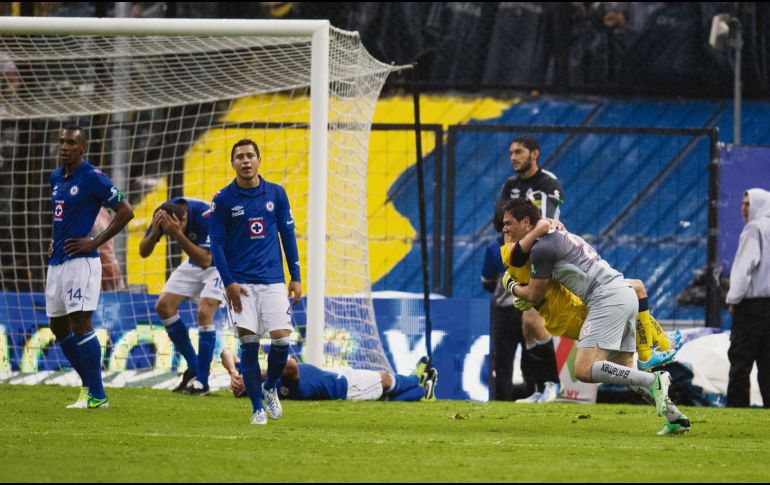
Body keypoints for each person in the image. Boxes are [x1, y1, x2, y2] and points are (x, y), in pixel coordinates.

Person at [501, 199, 689, 435]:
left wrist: (511, 285)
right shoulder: (556, 233)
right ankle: (674, 417)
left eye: (508, 223)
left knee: (583, 369)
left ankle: (654, 377)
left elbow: (534, 293)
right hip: (623, 292)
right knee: (625, 370)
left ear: (526, 222)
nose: (504, 228)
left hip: (605, 298)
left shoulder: (542, 248)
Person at [210, 139, 302, 425]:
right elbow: (217, 245)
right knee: (248, 345)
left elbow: (288, 235)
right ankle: (256, 408)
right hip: (242, 286)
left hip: (273, 280)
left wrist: (295, 276)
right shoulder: (223, 199)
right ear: (233, 163)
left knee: (282, 339)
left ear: (259, 160)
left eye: (250, 156)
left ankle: (271, 386)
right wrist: (229, 283)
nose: (245, 161)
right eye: (239, 157)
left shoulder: (277, 193)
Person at [47, 125, 134, 409]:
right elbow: (63, 215)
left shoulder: (94, 178)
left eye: (71, 142)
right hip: (58, 261)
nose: (64, 146)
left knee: (81, 323)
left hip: (82, 262)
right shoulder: (56, 178)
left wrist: (94, 242)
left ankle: (97, 394)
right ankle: (90, 386)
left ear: (83, 148)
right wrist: (54, 240)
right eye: (61, 141)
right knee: (58, 325)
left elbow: (126, 211)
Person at [492, 135, 564, 404]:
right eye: (511, 152)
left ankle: (552, 385)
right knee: (526, 326)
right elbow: (499, 222)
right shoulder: (510, 185)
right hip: (520, 258)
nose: (513, 157)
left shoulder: (548, 183)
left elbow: (543, 223)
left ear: (535, 154)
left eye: (519, 151)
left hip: (544, 257)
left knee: (533, 320)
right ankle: (537, 389)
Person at [139, 197, 223, 395]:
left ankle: (202, 381)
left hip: (222, 262)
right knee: (163, 305)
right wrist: (155, 233)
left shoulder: (205, 215)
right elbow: (143, 251)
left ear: (184, 218)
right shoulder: (164, 213)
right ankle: (194, 366)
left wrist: (177, 234)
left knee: (204, 312)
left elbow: (206, 260)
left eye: (180, 226)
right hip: (195, 262)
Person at [222, 349, 438, 402]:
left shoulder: (253, 380)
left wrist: (234, 372)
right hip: (345, 387)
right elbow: (290, 366)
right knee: (385, 380)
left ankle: (423, 389)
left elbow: (226, 353)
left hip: (332, 375)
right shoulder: (285, 389)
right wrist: (254, 374)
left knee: (385, 389)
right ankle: (418, 383)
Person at [725, 188, 770, 408]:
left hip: (751, 307)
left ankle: (737, 408)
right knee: (767, 363)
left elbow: (744, 269)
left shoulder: (754, 229)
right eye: (743, 204)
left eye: (747, 204)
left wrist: (733, 298)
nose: (743, 209)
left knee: (740, 361)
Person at [481, 236, 535, 401]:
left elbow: (487, 281)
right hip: (531, 308)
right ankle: (535, 395)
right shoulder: (536, 245)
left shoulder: (493, 248)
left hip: (505, 310)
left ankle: (502, 399)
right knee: (532, 356)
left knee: (503, 360)